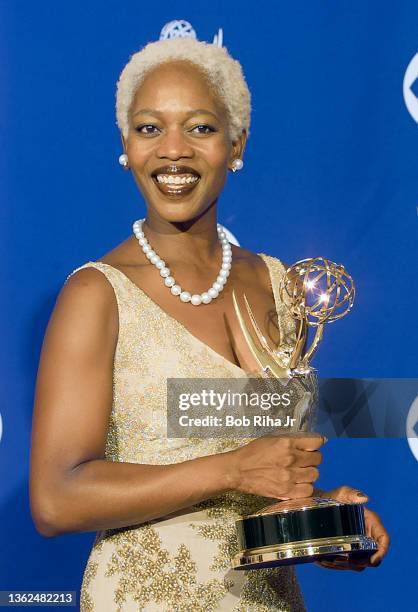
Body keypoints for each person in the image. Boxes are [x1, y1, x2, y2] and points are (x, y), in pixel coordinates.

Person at [29, 36, 390, 611]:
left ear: (237, 143)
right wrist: (232, 469)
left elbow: (257, 482)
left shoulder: (281, 286)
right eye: (150, 128)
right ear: (126, 143)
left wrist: (320, 515)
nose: (174, 151)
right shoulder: (96, 293)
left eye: (199, 128)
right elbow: (55, 499)